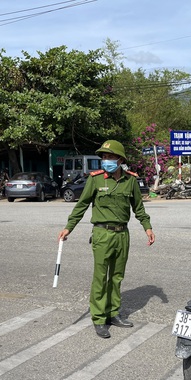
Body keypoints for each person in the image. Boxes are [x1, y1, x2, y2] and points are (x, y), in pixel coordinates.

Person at [57, 140, 155, 338]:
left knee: (117, 277)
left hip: (122, 234)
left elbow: (139, 208)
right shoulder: (96, 179)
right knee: (100, 277)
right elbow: (81, 205)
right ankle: (99, 318)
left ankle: (113, 313)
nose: (105, 160)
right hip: (102, 234)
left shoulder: (130, 181)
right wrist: (69, 228)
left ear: (120, 160)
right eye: (104, 157)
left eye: (110, 157)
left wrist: (148, 227)